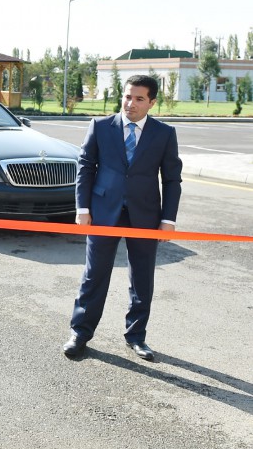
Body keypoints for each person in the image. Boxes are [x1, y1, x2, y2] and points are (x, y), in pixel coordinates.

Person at [63, 74, 182, 362]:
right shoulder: (101, 127)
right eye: (128, 96)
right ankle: (80, 332)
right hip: (104, 212)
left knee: (142, 277)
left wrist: (168, 219)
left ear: (152, 102)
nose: (131, 103)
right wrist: (83, 209)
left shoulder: (164, 133)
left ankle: (136, 337)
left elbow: (171, 179)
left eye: (139, 98)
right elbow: (85, 167)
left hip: (146, 215)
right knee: (94, 275)